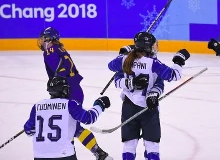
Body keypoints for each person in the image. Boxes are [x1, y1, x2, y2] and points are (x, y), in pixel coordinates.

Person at [107, 32, 190, 160]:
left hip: (129, 108)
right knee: (152, 146)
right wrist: (179, 60)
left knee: (129, 146)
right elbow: (174, 75)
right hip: (148, 109)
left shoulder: (125, 60)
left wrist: (123, 55)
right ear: (146, 47)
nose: (154, 48)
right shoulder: (153, 63)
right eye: (152, 46)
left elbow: (111, 67)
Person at [37, 27, 112, 160]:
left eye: (43, 39)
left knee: (69, 127)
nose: (41, 42)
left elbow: (59, 73)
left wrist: (58, 92)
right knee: (73, 127)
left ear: (49, 39)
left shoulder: (50, 51)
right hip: (75, 89)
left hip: (66, 91)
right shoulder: (60, 49)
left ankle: (94, 153)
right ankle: (99, 153)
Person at [23, 76, 111, 160]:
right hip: (63, 155)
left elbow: (28, 130)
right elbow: (88, 118)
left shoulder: (37, 106)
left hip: (39, 156)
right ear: (63, 90)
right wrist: (100, 105)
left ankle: (99, 152)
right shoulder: (69, 104)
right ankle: (99, 152)